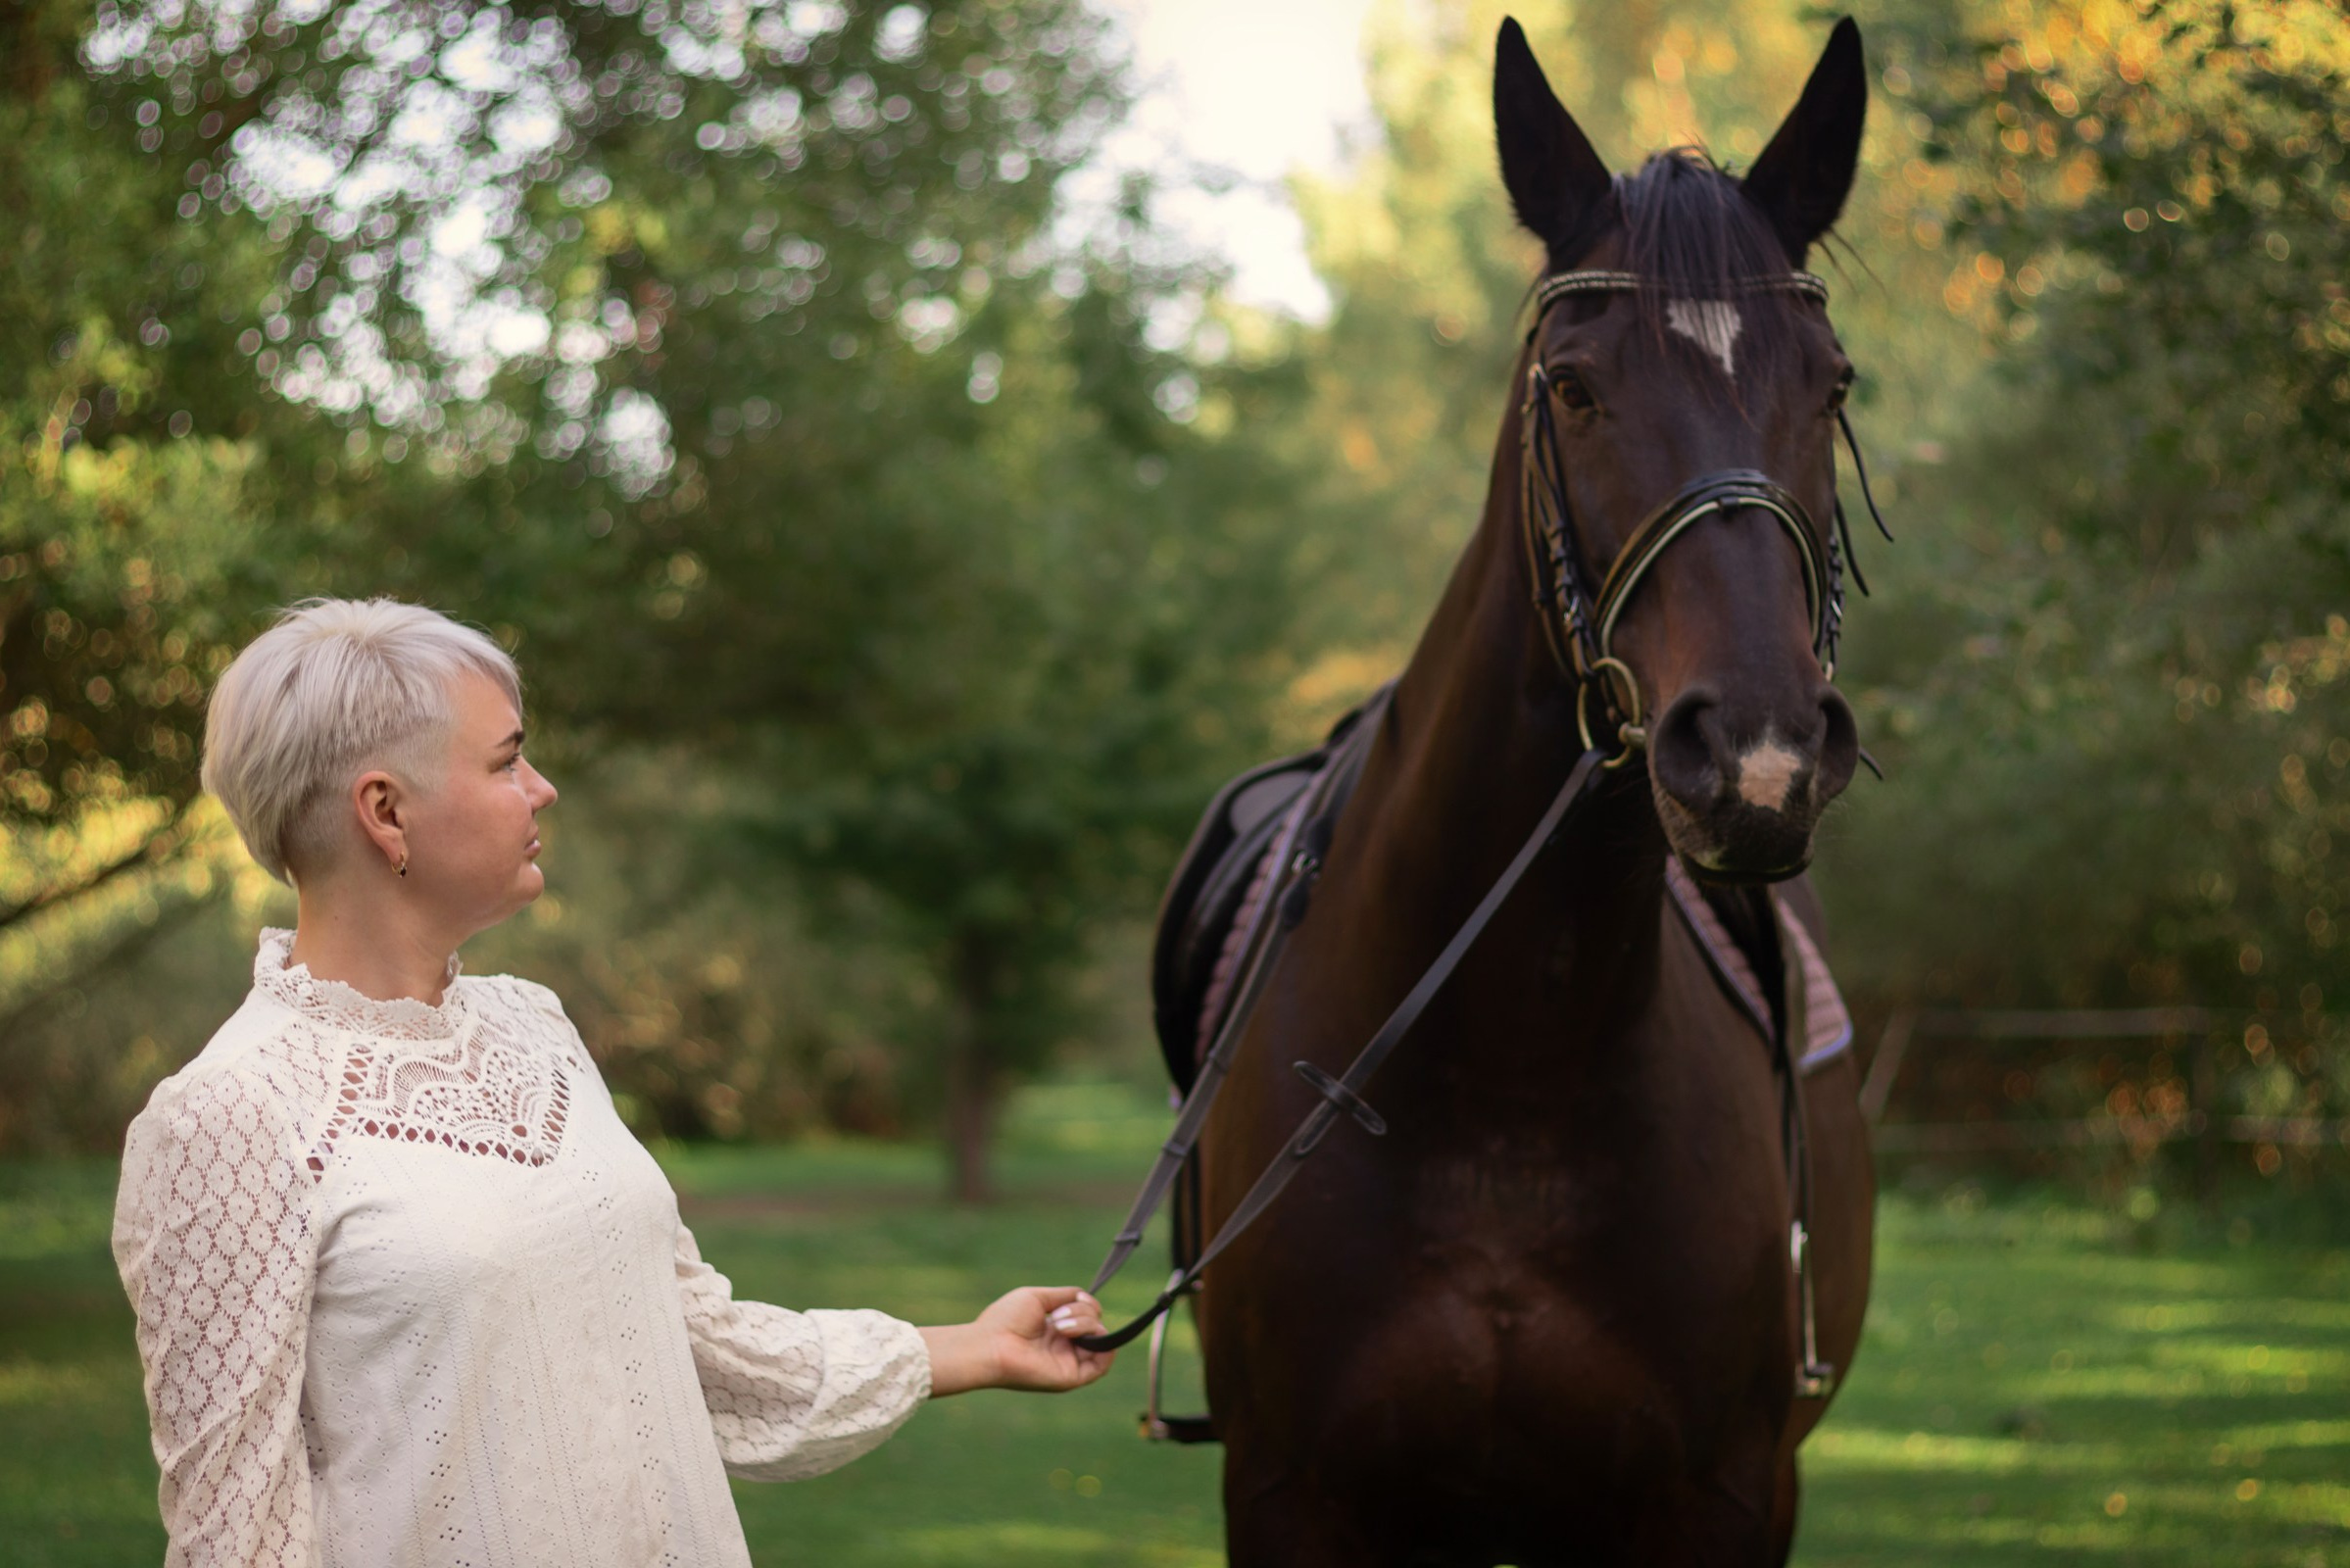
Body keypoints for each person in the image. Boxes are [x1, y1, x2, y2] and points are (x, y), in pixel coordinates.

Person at [112, 598, 1114, 1568]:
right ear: (385, 810)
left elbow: (694, 1346)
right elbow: (235, 1536)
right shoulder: (228, 1117)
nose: (541, 787)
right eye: (507, 759)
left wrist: (972, 1348)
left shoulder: (534, 1026)